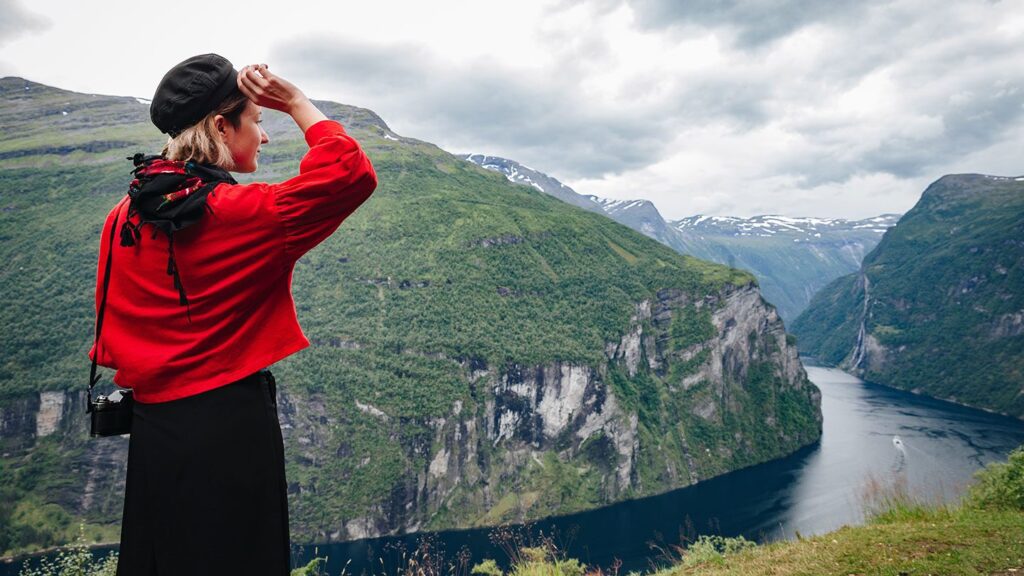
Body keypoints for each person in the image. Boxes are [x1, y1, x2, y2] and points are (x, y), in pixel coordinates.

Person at [89, 53, 377, 575]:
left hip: (154, 429)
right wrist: (295, 102)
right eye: (259, 122)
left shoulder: (121, 217)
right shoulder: (244, 214)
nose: (264, 138)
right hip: (226, 429)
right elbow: (349, 172)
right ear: (222, 126)